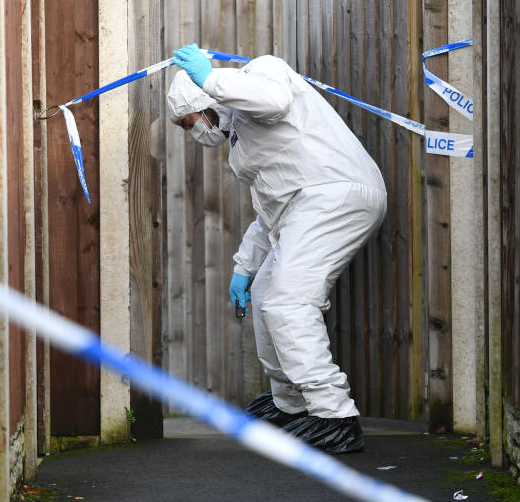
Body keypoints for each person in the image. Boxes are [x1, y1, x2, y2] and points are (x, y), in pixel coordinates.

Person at [166, 43, 387, 454]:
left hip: (335, 194)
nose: (192, 131)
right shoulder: (242, 143)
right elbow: (270, 210)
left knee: (288, 301)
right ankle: (293, 405)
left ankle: (333, 415)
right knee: (269, 292)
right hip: (304, 205)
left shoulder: (262, 73)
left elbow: (275, 99)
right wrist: (245, 268)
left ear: (204, 99)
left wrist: (208, 77)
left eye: (188, 121)